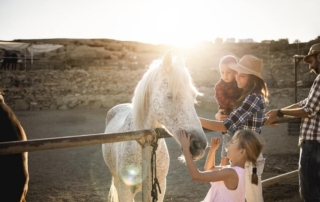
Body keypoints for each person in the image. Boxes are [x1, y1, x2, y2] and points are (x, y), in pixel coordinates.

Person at [199, 54, 269, 202]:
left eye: (242, 75)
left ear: (251, 79)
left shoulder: (253, 98)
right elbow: (234, 117)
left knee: (253, 198)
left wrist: (196, 121)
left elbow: (226, 126)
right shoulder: (251, 96)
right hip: (245, 156)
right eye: (237, 74)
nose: (236, 78)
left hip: (249, 158)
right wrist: (219, 114)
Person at [264, 43, 320, 202]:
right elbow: (303, 103)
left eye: (311, 61)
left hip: (313, 143)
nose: (310, 66)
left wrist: (279, 112)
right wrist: (278, 112)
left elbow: (308, 110)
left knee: (309, 193)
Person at [178, 129, 264, 202]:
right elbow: (209, 168)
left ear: (241, 152)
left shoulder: (231, 172)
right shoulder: (234, 170)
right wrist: (213, 150)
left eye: (232, 142)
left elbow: (196, 176)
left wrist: (186, 149)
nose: (227, 144)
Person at [214, 55, 242, 166]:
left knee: (238, 143)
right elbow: (222, 101)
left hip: (239, 118)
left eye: (228, 72)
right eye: (222, 72)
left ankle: (236, 165)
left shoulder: (239, 84)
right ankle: (223, 165)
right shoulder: (219, 86)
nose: (225, 76)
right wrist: (238, 104)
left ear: (235, 72)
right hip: (227, 117)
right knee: (227, 142)